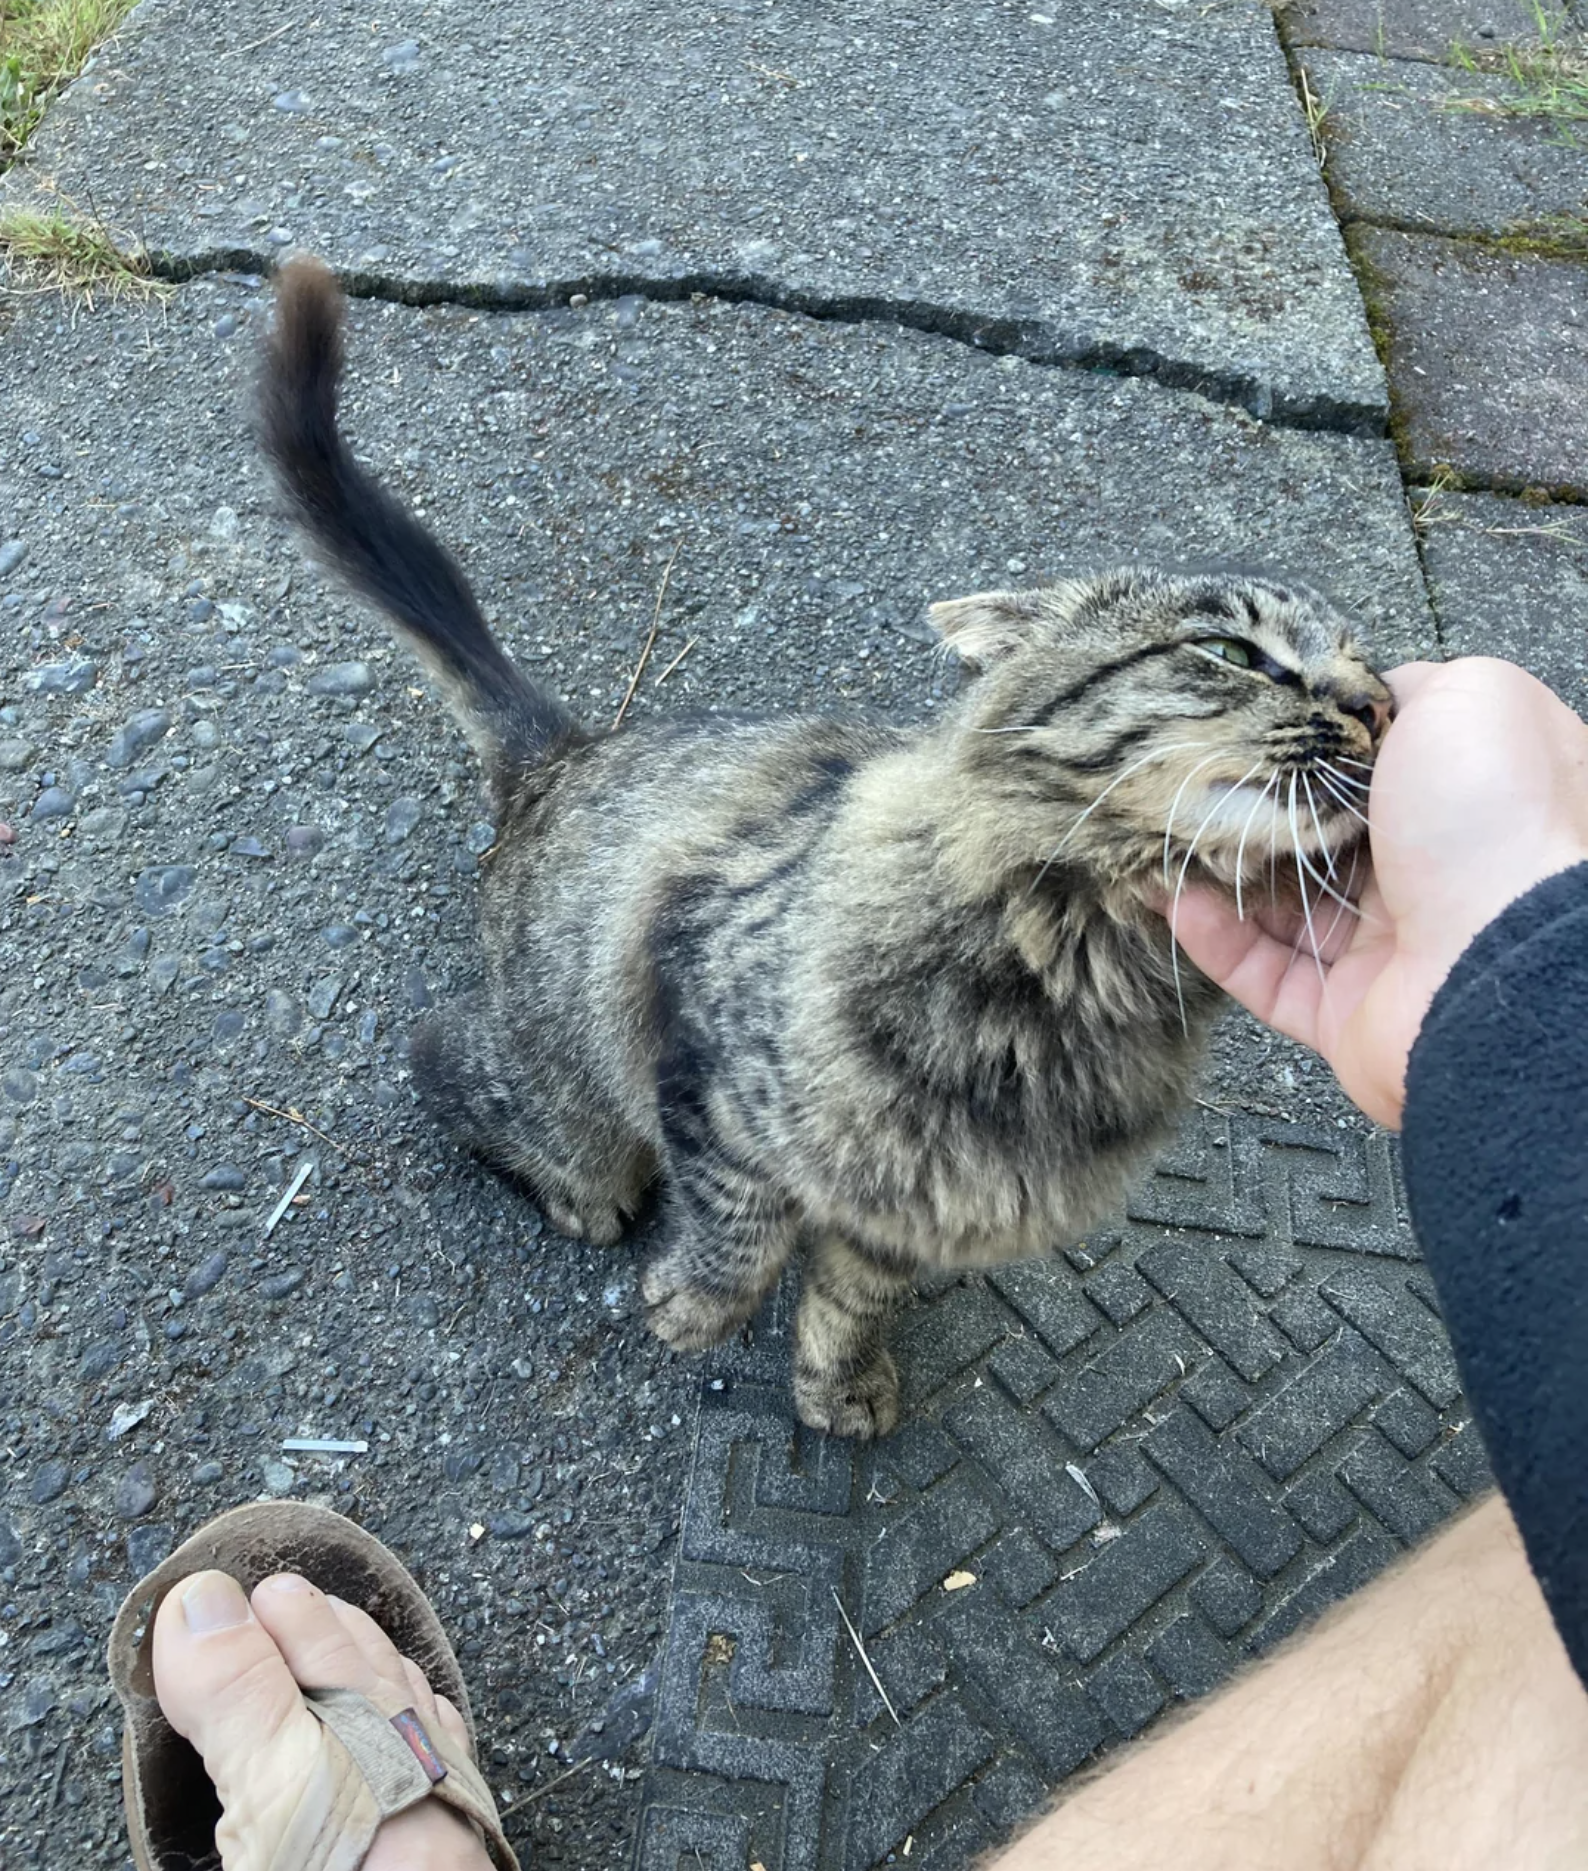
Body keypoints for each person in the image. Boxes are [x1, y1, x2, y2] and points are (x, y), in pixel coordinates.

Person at [120, 657, 1588, 1871]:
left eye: (1342, 673)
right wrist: (719, 1271)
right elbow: (715, 1077)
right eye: (1236, 669)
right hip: (596, 1006)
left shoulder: (1195, 916)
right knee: (598, 1171)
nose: (1343, 698)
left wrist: (1507, 977)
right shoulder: (897, 934)